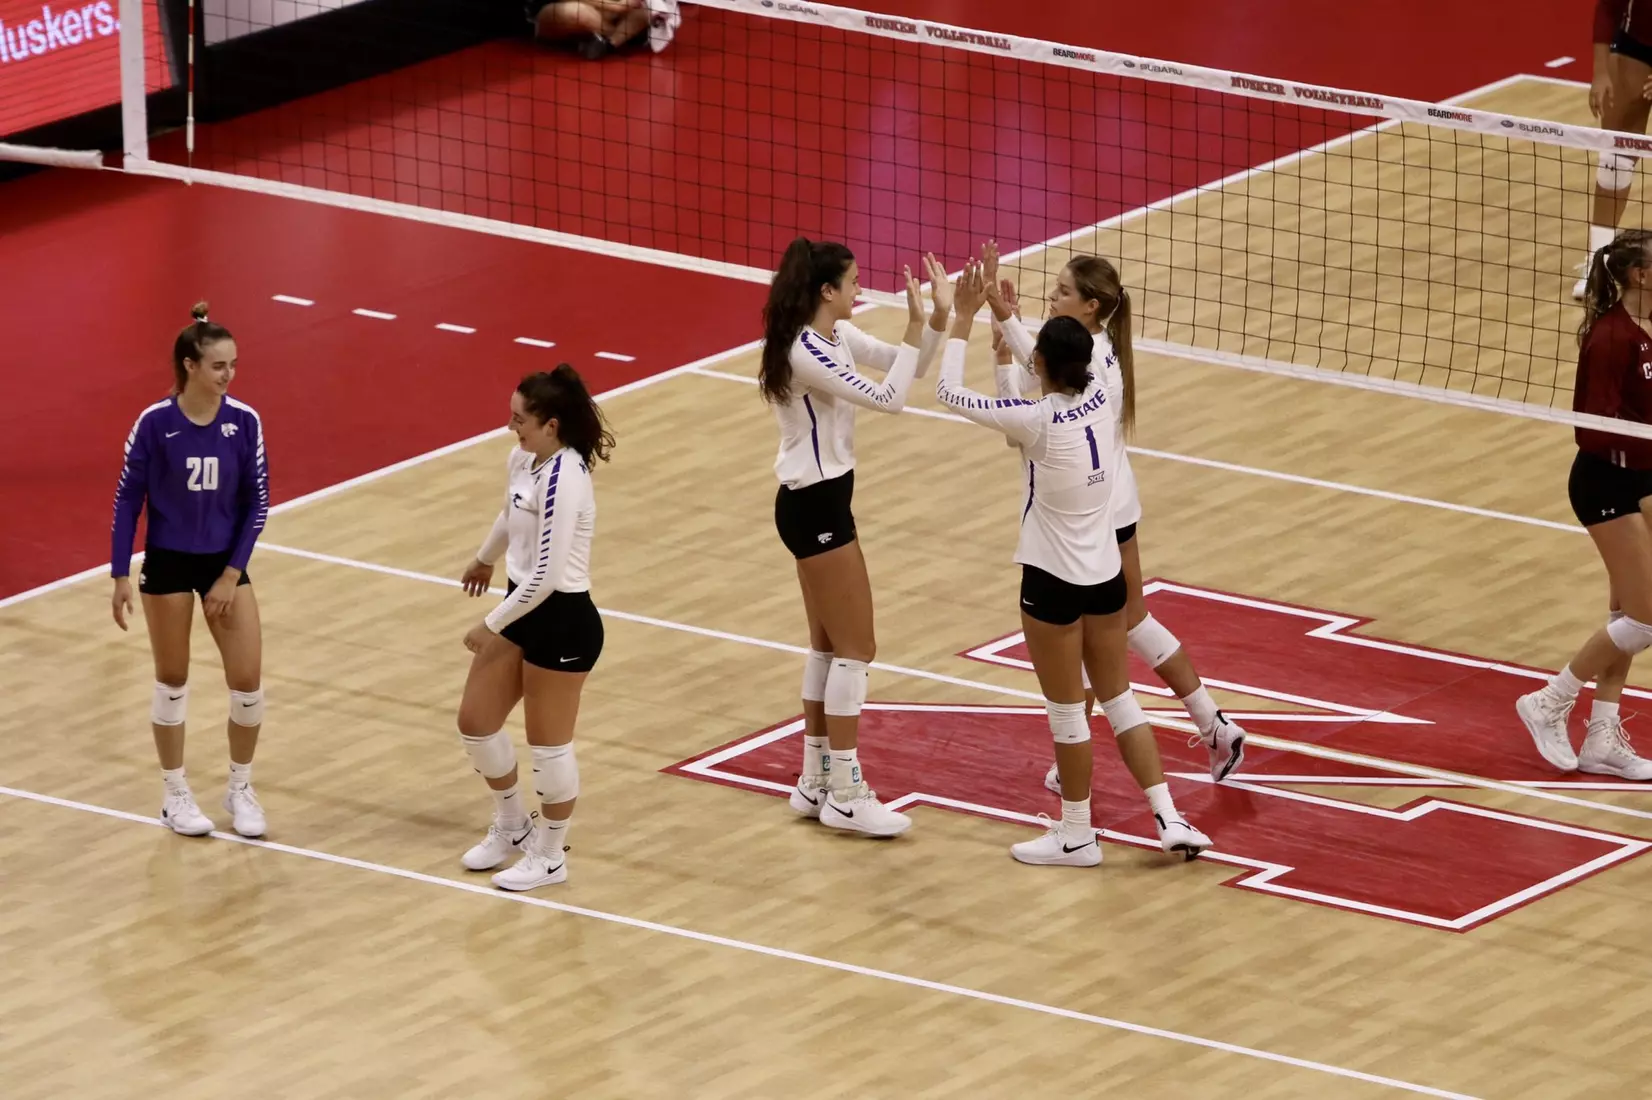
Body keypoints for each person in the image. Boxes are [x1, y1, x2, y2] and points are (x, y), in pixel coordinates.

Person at [937, 259, 1211, 863]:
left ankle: (1077, 833)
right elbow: (1037, 375)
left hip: (1053, 584)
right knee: (1120, 701)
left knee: (1067, 713)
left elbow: (948, 395)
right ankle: (1168, 817)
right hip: (1105, 579)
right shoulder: (1100, 395)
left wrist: (963, 320)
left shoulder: (1037, 421)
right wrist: (1008, 334)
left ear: (1043, 366)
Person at [976, 243, 1246, 789]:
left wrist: (1003, 316)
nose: (1051, 298)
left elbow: (1035, 376)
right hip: (1111, 501)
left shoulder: (1094, 357)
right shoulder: (1089, 348)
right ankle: (1211, 724)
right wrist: (1004, 337)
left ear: (1093, 306)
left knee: (1110, 633)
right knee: (1125, 624)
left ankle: (1199, 727)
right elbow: (1033, 382)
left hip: (1098, 511)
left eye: (1063, 292)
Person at [761, 236, 947, 838]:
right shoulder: (806, 351)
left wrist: (937, 320)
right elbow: (891, 400)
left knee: (826, 647)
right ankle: (845, 790)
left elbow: (910, 366)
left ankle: (814, 781)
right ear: (827, 291)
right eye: (853, 281)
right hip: (814, 505)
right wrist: (920, 323)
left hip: (820, 501)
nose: (860, 287)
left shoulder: (836, 336)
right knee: (857, 649)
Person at [110, 302, 270, 839]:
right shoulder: (156, 423)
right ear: (189, 366)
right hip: (170, 562)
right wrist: (119, 574)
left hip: (223, 563)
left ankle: (240, 787)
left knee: (247, 683)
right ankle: (175, 793)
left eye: (234, 364)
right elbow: (127, 500)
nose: (229, 375)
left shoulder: (243, 422)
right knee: (172, 680)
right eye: (219, 365)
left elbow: (258, 503)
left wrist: (231, 575)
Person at [454, 366, 614, 891]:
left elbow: (547, 576)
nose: (510, 427)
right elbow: (510, 514)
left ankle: (550, 854)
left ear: (551, 425)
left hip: (562, 619)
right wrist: (484, 559)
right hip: (523, 608)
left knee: (548, 749)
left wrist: (491, 623)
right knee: (476, 722)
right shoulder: (523, 457)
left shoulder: (569, 477)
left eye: (519, 419)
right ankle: (513, 825)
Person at [1516, 229, 1652, 779]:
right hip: (1605, 484)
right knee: (1646, 619)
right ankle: (1550, 699)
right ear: (1641, 275)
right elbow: (1592, 432)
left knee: (1628, 615)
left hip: (1644, 478)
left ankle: (1601, 737)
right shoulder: (1611, 338)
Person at [1576, 1, 1652, 299]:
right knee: (1614, 160)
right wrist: (1600, 72)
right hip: (1635, 46)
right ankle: (1597, 260)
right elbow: (1608, 8)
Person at [526, 0, 674, 59]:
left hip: (607, 12)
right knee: (575, 13)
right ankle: (621, 35)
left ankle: (608, 44)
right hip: (555, 8)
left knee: (647, 10)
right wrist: (616, 6)